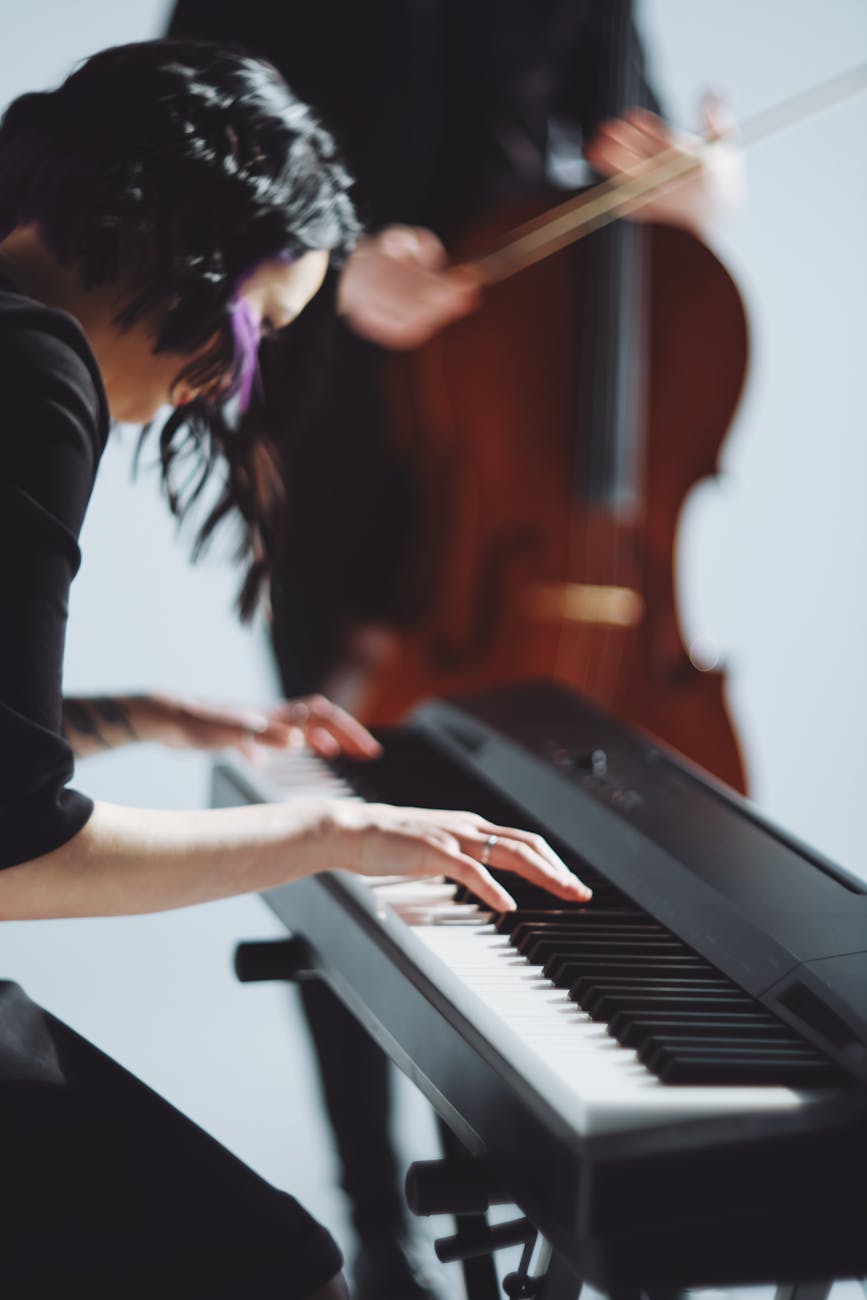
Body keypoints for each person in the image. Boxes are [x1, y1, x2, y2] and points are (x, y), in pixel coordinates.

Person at [162, 7, 744, 1298]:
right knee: (339, 841)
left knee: (568, 878)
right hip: (343, 443)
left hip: (534, 407)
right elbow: (171, 168)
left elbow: (618, 147)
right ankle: (376, 1225)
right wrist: (332, 261)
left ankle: (585, 1208)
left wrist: (695, 187)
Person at [0, 38, 594, 1300]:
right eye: (247, 328)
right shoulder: (32, 366)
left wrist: (138, 716)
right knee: (272, 1271)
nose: (228, 382)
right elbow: (15, 859)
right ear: (173, 229)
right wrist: (338, 830)